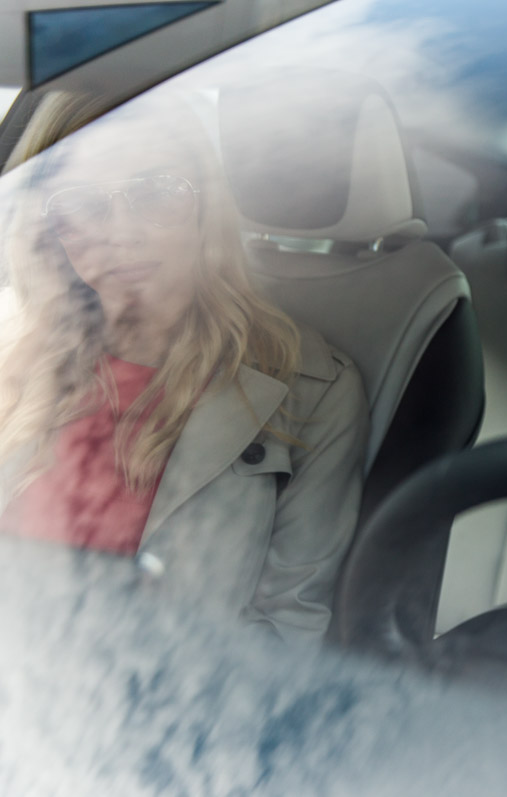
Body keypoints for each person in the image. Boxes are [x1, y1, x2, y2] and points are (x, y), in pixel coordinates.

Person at [0, 90, 369, 642]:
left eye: (156, 193)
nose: (122, 232)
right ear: (50, 227)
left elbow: (286, 631)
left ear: (206, 209)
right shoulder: (14, 356)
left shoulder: (311, 388)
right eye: (81, 203)